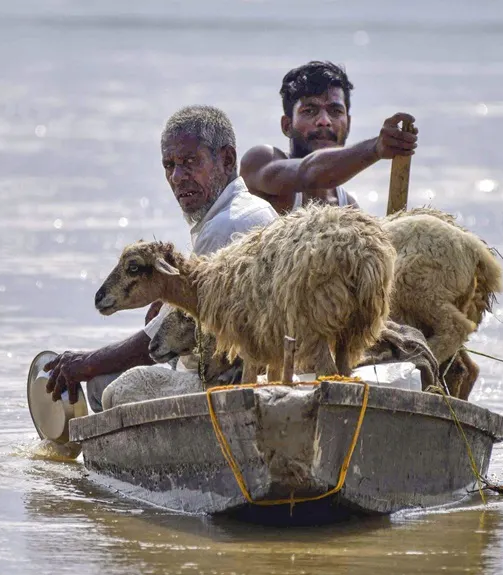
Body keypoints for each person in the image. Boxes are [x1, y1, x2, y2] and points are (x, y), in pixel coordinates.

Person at [43, 105, 279, 411]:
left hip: (230, 379)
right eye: (169, 165)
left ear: (227, 159)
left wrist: (87, 363)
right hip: (232, 366)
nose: (178, 177)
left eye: (190, 162)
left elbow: (152, 344)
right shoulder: (243, 211)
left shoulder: (226, 227)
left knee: (103, 387)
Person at [241, 60, 419, 215]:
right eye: (309, 111)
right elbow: (309, 172)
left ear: (348, 124)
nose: (324, 121)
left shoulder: (348, 209)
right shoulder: (261, 161)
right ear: (287, 125)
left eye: (335, 111)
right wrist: (375, 148)